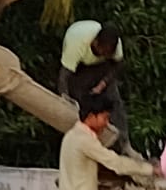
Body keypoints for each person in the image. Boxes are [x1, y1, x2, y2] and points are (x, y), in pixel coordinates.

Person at [57, 20, 136, 157]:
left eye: (108, 53)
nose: (105, 54)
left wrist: (103, 84)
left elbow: (118, 65)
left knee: (114, 101)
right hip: (79, 68)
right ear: (95, 43)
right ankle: (84, 145)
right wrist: (65, 98)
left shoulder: (115, 46)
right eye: (103, 52)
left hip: (103, 68)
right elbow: (64, 76)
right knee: (81, 105)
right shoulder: (77, 44)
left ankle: (124, 144)